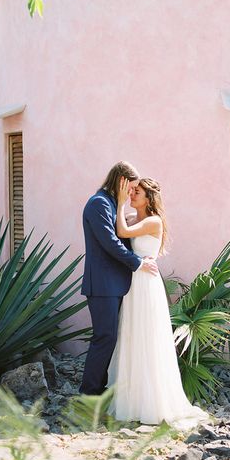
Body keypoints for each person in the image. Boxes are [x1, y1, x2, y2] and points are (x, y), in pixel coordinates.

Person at [107, 177, 208, 429]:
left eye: (136, 192)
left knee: (148, 336)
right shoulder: (134, 218)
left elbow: (122, 232)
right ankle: (133, 400)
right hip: (134, 283)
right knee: (133, 335)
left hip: (147, 283)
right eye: (130, 192)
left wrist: (120, 204)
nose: (132, 196)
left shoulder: (153, 221)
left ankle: (152, 402)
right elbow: (117, 231)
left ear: (149, 197)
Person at [79, 161, 159, 396]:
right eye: (131, 187)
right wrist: (138, 263)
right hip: (102, 284)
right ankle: (89, 394)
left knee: (111, 338)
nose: (132, 192)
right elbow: (110, 243)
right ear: (121, 181)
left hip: (117, 284)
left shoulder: (114, 204)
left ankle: (102, 389)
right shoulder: (99, 204)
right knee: (104, 337)